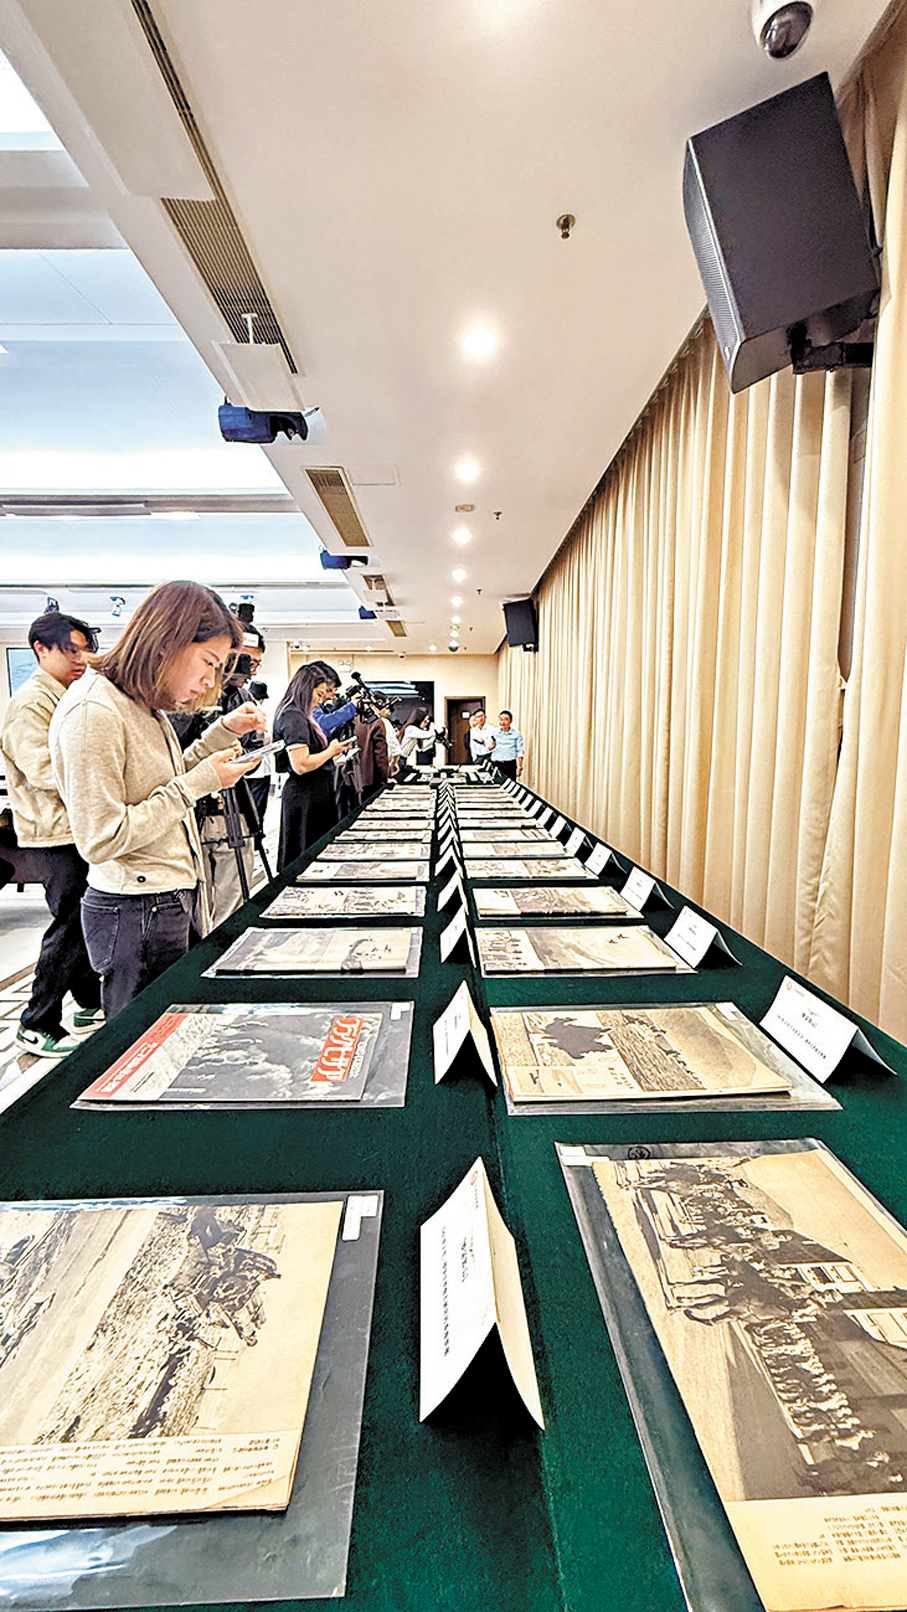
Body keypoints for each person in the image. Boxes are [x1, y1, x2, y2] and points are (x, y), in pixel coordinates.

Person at [49, 580, 266, 1020]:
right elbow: (101, 838)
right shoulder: (94, 711)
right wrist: (199, 784)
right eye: (209, 662)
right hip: (135, 909)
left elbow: (165, 781)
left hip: (167, 896)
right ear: (168, 642)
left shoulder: (141, 704)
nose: (210, 680)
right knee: (139, 1052)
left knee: (176, 1035)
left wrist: (221, 733)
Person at [0, 611, 103, 1057]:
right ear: (40, 649)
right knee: (70, 926)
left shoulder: (67, 693)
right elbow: (43, 770)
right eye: (71, 649)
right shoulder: (29, 703)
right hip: (53, 831)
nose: (81, 658)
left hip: (77, 825)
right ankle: (36, 1021)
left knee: (81, 920)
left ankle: (88, 1004)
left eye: (85, 649)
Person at [173, 624, 267, 926]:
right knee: (198, 907)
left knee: (235, 901)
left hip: (236, 807)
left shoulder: (241, 695)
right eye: (241, 660)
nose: (247, 670)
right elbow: (176, 753)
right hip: (192, 810)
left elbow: (251, 743)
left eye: (254, 664)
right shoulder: (187, 691)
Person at [273, 661, 353, 869]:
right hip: (305, 796)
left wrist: (331, 755)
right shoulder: (293, 716)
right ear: (305, 690)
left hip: (314, 793)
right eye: (319, 695)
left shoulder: (301, 715)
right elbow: (301, 765)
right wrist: (331, 751)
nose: (321, 701)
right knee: (304, 855)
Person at [490, 709, 524, 779]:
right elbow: (488, 747)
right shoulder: (494, 732)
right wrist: (492, 746)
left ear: (510, 721)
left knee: (510, 786)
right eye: (501, 719)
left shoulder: (516, 734)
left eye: (506, 720)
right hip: (496, 763)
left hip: (510, 764)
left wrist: (519, 767)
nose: (503, 722)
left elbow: (520, 751)